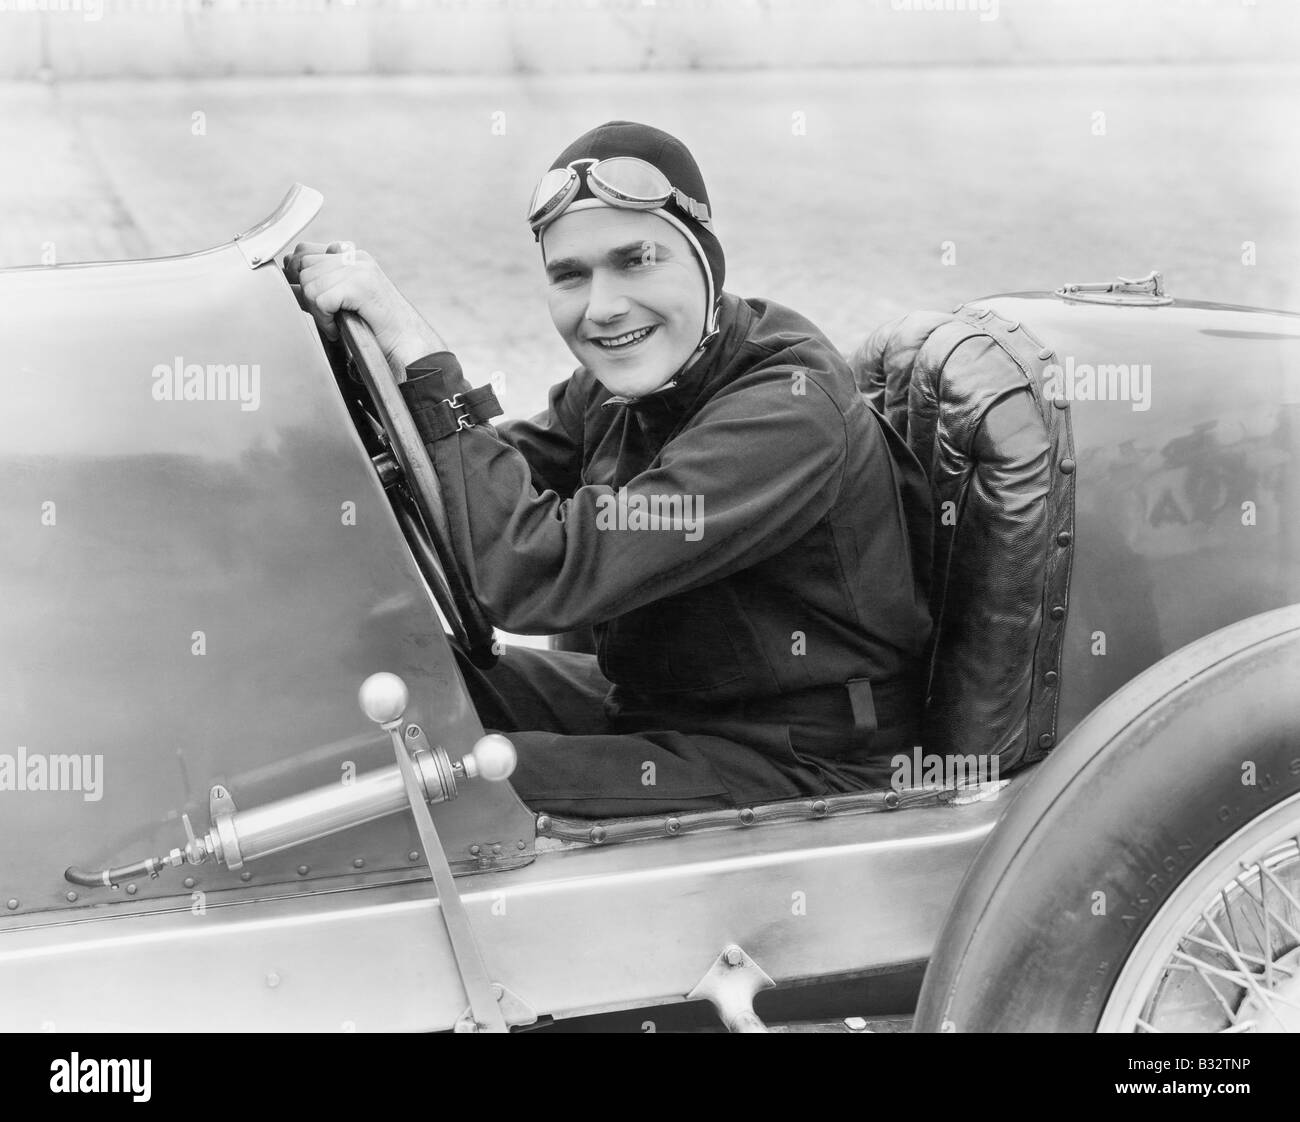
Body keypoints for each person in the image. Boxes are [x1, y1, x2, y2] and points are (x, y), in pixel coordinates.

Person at [287, 120, 933, 819]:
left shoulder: (788, 414)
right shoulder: (622, 388)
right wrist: (352, 381)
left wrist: (418, 351)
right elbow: (477, 483)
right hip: (657, 705)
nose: (603, 308)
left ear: (707, 264)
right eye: (571, 275)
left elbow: (534, 571)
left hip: (796, 759)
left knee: (437, 785)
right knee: (388, 680)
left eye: (637, 260)